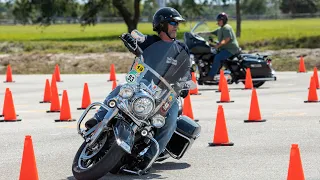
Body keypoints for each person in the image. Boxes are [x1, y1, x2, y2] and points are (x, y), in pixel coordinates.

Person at [85, 7, 190, 171]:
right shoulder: (150, 41)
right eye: (172, 22)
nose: (176, 26)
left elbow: (187, 70)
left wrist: (185, 84)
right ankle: (98, 120)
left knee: (170, 120)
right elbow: (137, 40)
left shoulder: (181, 48)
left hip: (166, 95)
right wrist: (130, 41)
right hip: (143, 84)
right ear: (162, 25)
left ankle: (148, 158)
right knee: (120, 89)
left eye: (177, 23)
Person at [198, 12, 240, 81]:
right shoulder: (220, 29)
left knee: (218, 57)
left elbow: (227, 39)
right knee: (213, 55)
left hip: (231, 49)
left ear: (223, 20)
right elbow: (211, 32)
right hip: (225, 49)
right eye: (218, 20)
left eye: (219, 20)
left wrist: (218, 45)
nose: (218, 22)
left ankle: (211, 76)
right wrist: (199, 34)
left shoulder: (226, 28)